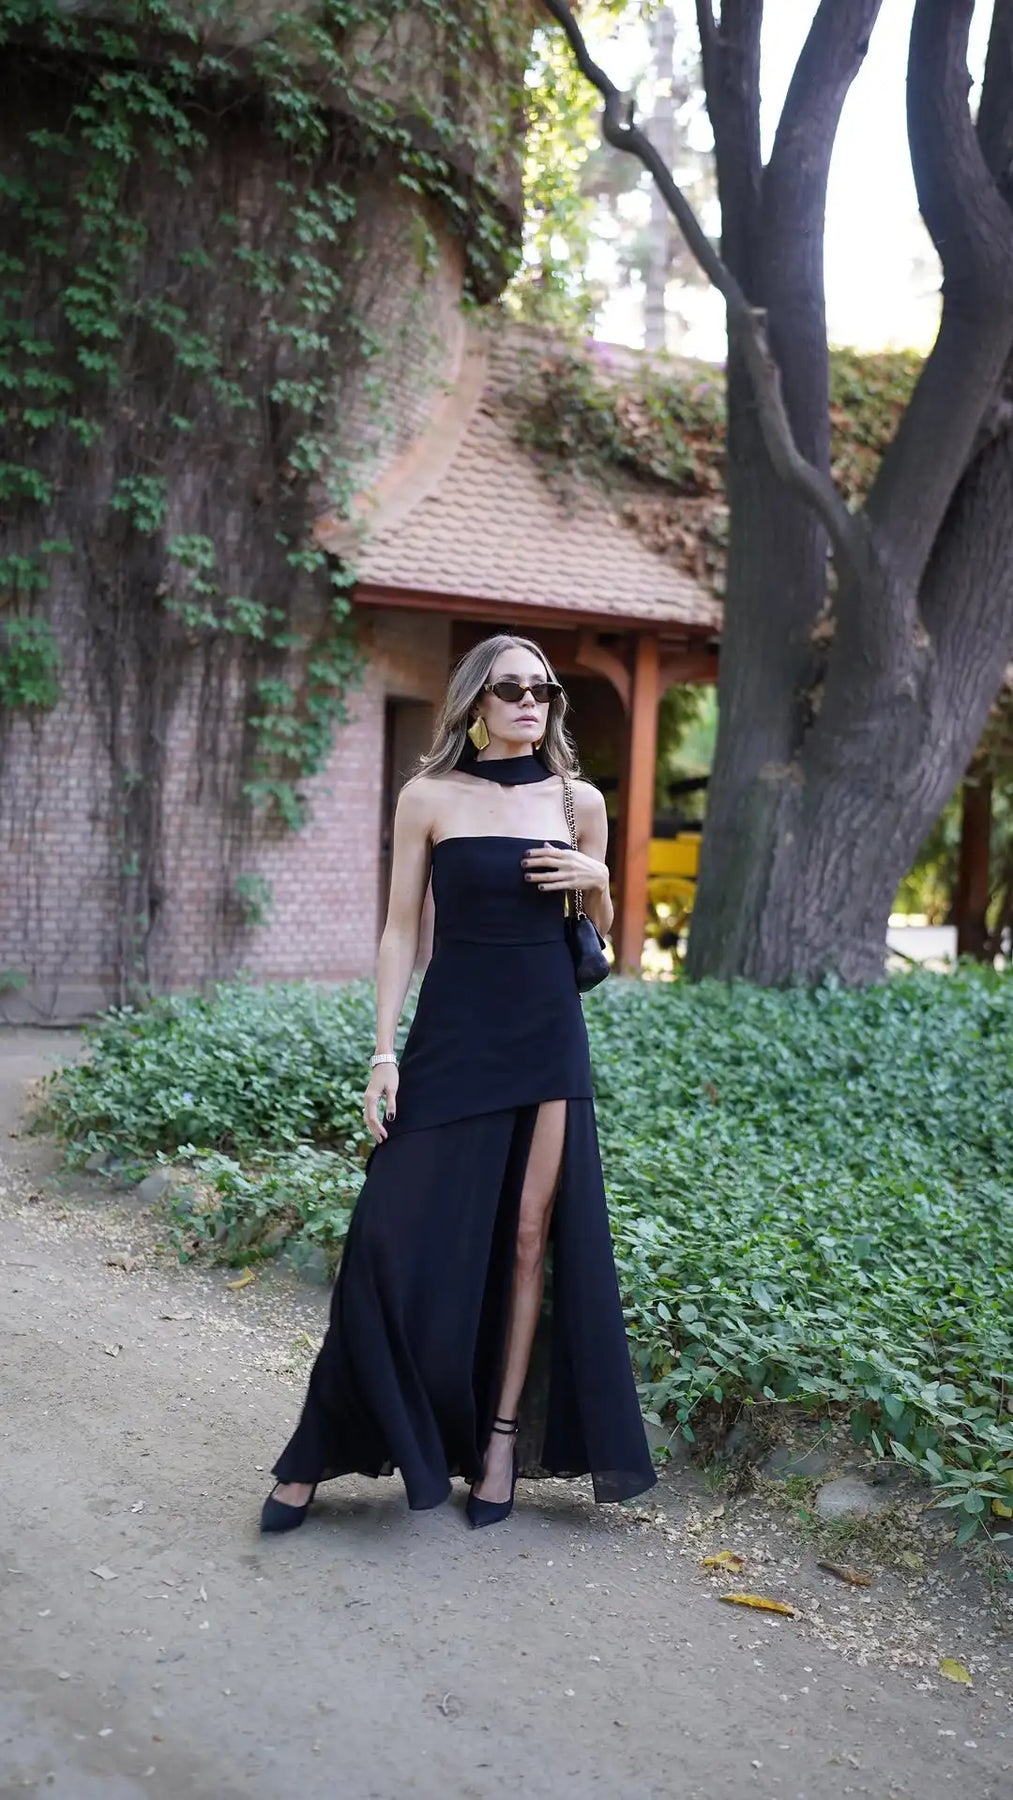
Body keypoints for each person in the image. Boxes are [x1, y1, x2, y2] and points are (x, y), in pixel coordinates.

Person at [260, 632, 656, 1533]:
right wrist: (383, 1052)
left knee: (527, 1238)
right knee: (383, 1236)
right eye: (511, 688)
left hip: (546, 1038)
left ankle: (500, 1442)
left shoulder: (578, 801)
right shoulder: (429, 796)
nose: (531, 702)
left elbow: (601, 941)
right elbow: (401, 929)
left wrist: (599, 880)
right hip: (449, 1037)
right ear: (476, 700)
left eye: (544, 690)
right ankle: (318, 1449)